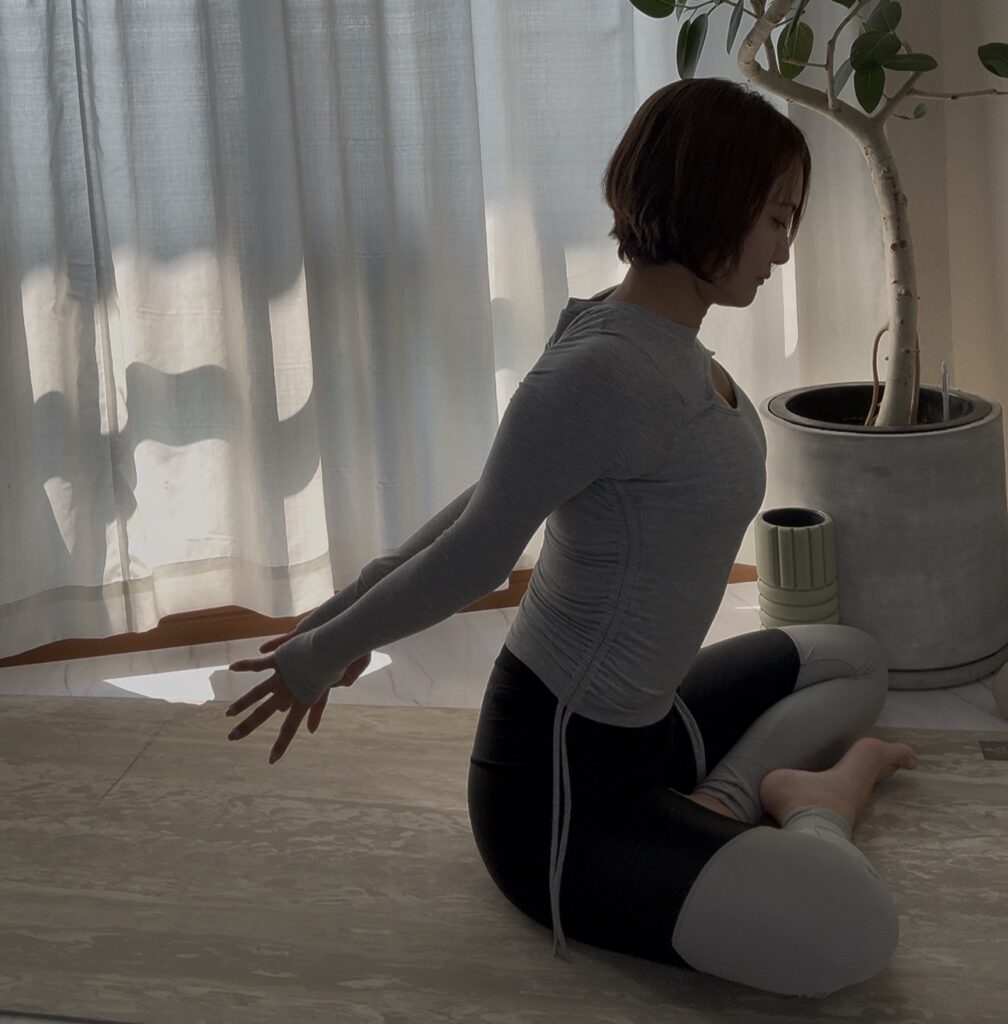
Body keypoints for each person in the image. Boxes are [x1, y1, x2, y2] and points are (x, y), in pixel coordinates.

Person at [227, 77, 919, 999]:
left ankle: (736, 797)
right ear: (710, 200)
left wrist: (341, 613)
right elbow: (479, 544)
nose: (783, 251)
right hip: (560, 790)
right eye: (775, 220)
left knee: (855, 659)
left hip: (650, 725)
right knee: (855, 931)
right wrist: (323, 649)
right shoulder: (605, 367)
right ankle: (818, 803)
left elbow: (483, 499)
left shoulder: (655, 344)